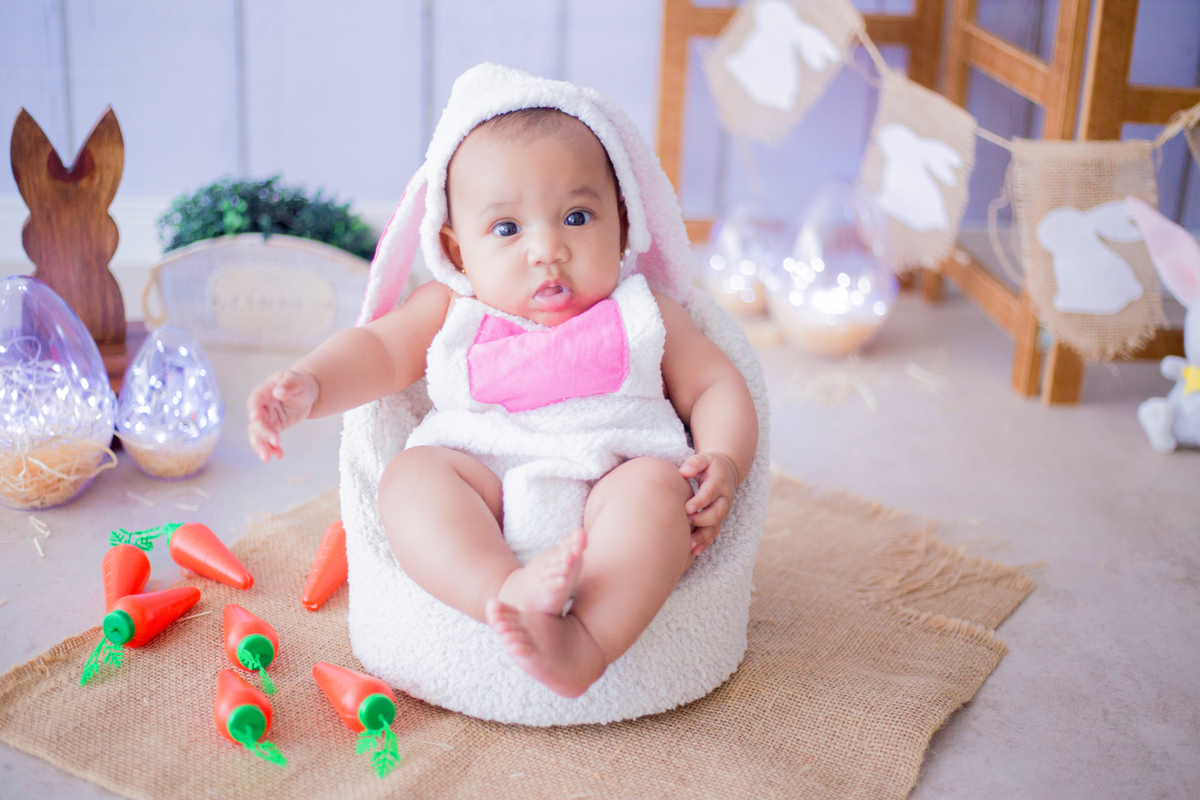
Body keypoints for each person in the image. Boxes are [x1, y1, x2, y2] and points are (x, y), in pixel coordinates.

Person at [247, 104, 758, 699]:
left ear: (622, 225)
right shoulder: (452, 309)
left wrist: (724, 460)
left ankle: (586, 642)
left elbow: (715, 385)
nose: (547, 249)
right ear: (457, 251)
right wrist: (310, 383)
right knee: (411, 478)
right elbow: (379, 350)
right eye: (508, 228)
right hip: (483, 483)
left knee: (659, 492)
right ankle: (503, 593)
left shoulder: (645, 312)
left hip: (613, 478)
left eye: (576, 217)